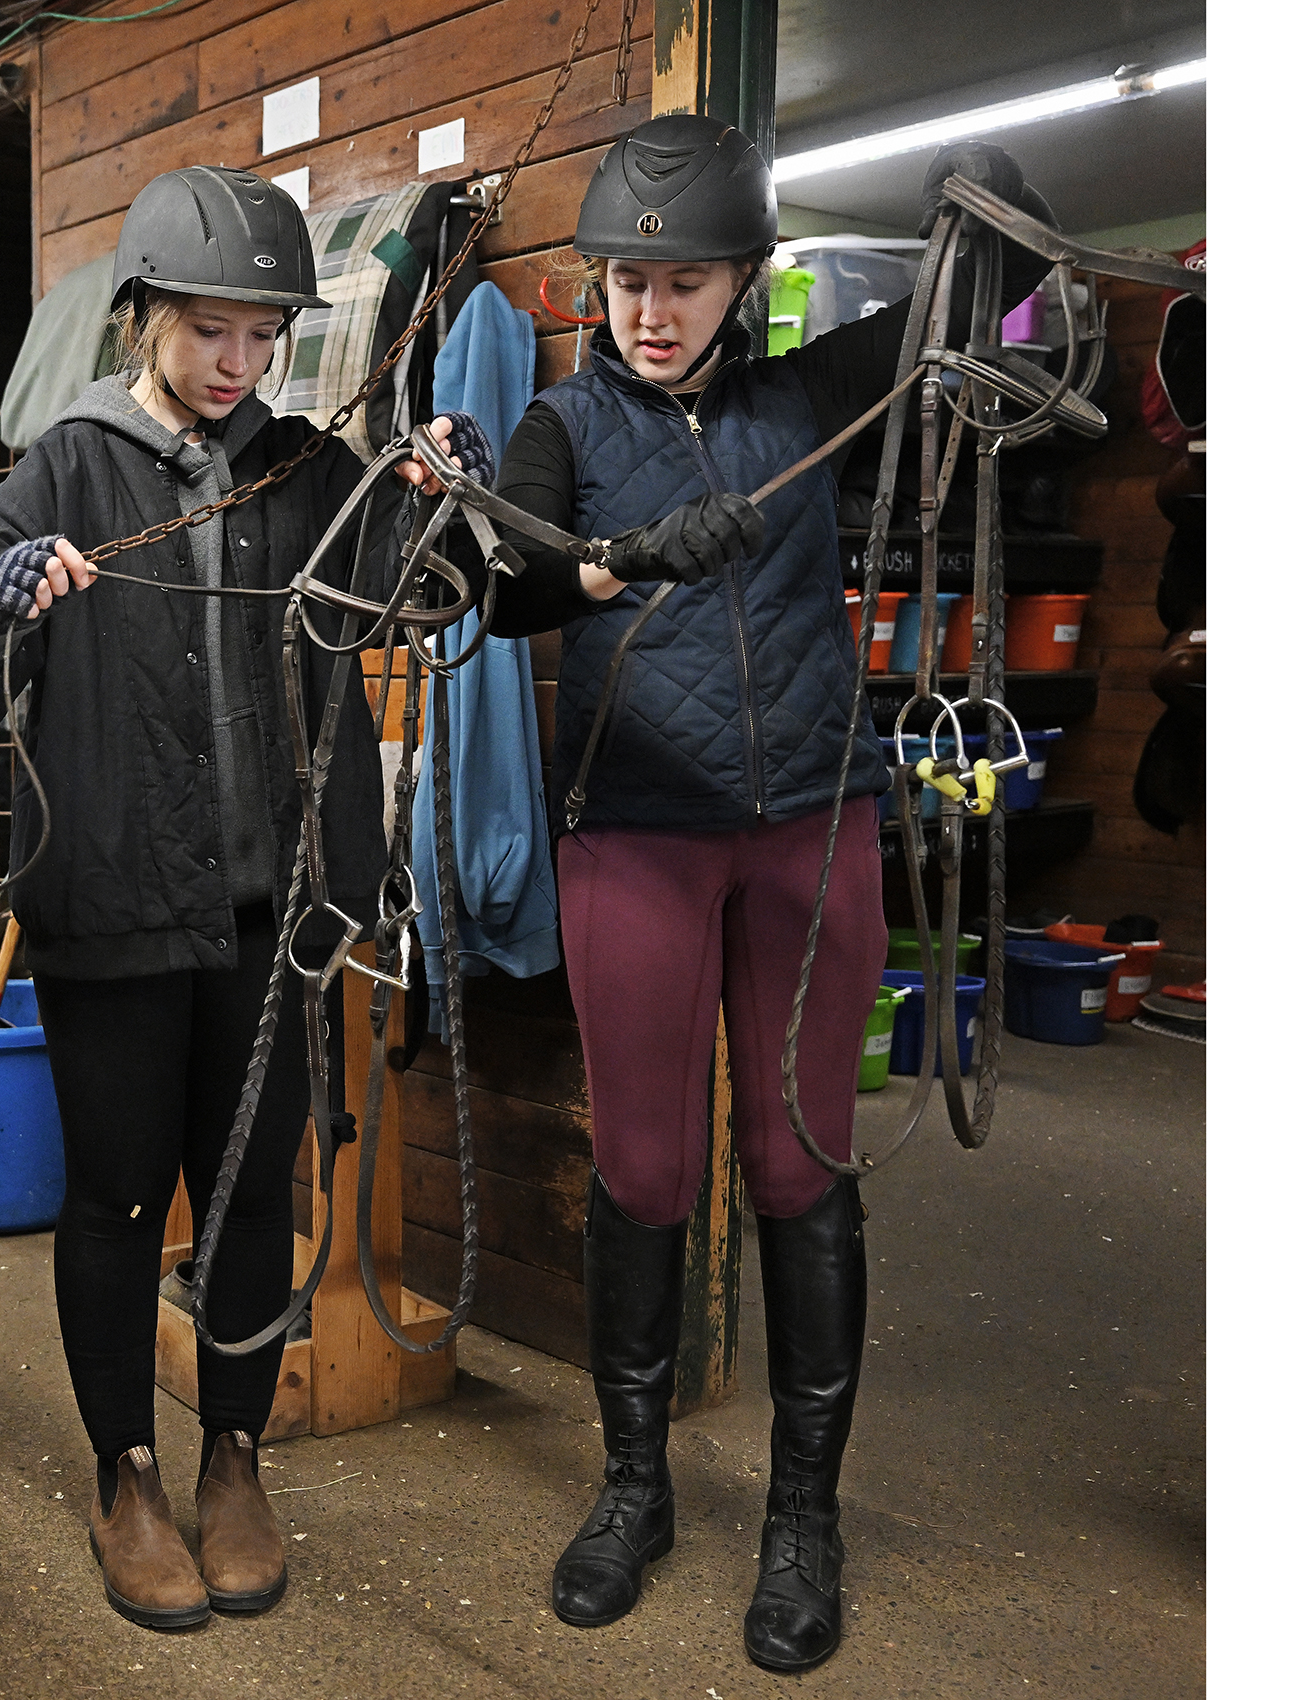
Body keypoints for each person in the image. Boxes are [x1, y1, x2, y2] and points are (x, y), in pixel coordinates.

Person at [398, 119, 1054, 1672]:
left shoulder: (806, 396)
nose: (649, 312)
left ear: (744, 283)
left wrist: (1001, 210)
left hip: (812, 826)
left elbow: (973, 305)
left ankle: (803, 1519)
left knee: (802, 1157)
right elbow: (506, 589)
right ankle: (635, 1491)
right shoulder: (561, 424)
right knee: (639, 1168)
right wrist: (622, 563)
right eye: (629, 284)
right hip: (634, 830)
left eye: (682, 284)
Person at [0, 164, 481, 1630]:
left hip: (274, 917)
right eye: (210, 330)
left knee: (241, 1193)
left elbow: (446, 587)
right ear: (144, 314)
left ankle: (232, 1457)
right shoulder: (62, 467)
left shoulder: (303, 467)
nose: (236, 363)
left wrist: (442, 488)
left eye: (261, 335)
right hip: (112, 908)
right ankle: (125, 1475)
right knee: (112, 1194)